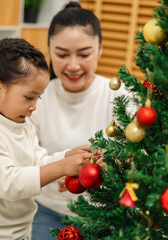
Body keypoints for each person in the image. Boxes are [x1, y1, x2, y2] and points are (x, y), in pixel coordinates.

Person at [0, 38, 95, 240]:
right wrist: (62, 167)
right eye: (29, 97)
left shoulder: (20, 123)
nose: (34, 106)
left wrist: (65, 158)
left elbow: (36, 161)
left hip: (19, 233)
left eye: (39, 97)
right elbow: (9, 183)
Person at [29, 2, 132, 239]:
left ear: (100, 49)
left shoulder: (121, 96)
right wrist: (61, 169)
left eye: (84, 54)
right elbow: (24, 158)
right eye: (62, 54)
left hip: (106, 215)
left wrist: (115, 161)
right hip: (48, 212)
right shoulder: (36, 98)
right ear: (49, 51)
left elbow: (143, 154)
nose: (73, 65)